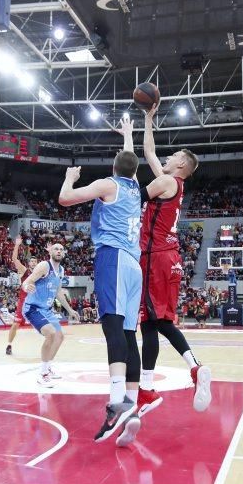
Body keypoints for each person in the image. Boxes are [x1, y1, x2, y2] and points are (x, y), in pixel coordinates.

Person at [58, 130, 143, 447]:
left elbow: (65, 198)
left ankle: (117, 402)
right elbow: (128, 162)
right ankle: (132, 408)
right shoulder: (134, 187)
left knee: (112, 329)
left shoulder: (109, 185)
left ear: (113, 167)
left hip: (114, 258)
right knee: (128, 335)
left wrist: (69, 177)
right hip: (134, 266)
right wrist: (129, 136)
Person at [136, 106, 211, 416]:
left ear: (181, 163)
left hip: (155, 259)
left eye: (173, 156)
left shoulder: (167, 183)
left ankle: (150, 387)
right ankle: (184, 371)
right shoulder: (174, 184)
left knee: (150, 323)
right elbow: (150, 151)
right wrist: (148, 118)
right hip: (171, 259)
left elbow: (136, 195)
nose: (166, 159)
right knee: (158, 322)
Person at [21, 243, 79, 387]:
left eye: (61, 249)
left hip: (46, 309)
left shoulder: (61, 270)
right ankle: (42, 374)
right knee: (51, 333)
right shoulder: (44, 266)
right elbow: (27, 282)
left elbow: (58, 292)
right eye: (56, 249)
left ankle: (48, 368)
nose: (58, 251)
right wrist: (27, 287)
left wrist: (70, 310)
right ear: (50, 252)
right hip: (33, 308)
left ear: (64, 253)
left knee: (59, 336)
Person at [7, 236, 38, 355]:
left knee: (46, 325)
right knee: (15, 324)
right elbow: (14, 259)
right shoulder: (25, 270)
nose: (33, 263)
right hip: (23, 302)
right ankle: (9, 345)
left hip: (35, 303)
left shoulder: (41, 273)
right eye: (32, 261)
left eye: (35, 262)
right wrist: (17, 245)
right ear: (29, 263)